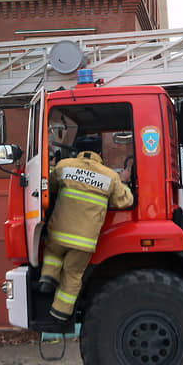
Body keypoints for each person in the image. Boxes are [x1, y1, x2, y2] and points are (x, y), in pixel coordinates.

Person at [39, 135, 134, 321]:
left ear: (77, 151)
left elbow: (48, 188)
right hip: (84, 241)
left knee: (53, 252)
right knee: (73, 274)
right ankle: (60, 313)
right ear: (100, 153)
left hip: (58, 234)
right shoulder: (110, 176)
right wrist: (124, 181)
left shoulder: (64, 166)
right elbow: (125, 201)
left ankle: (48, 277)